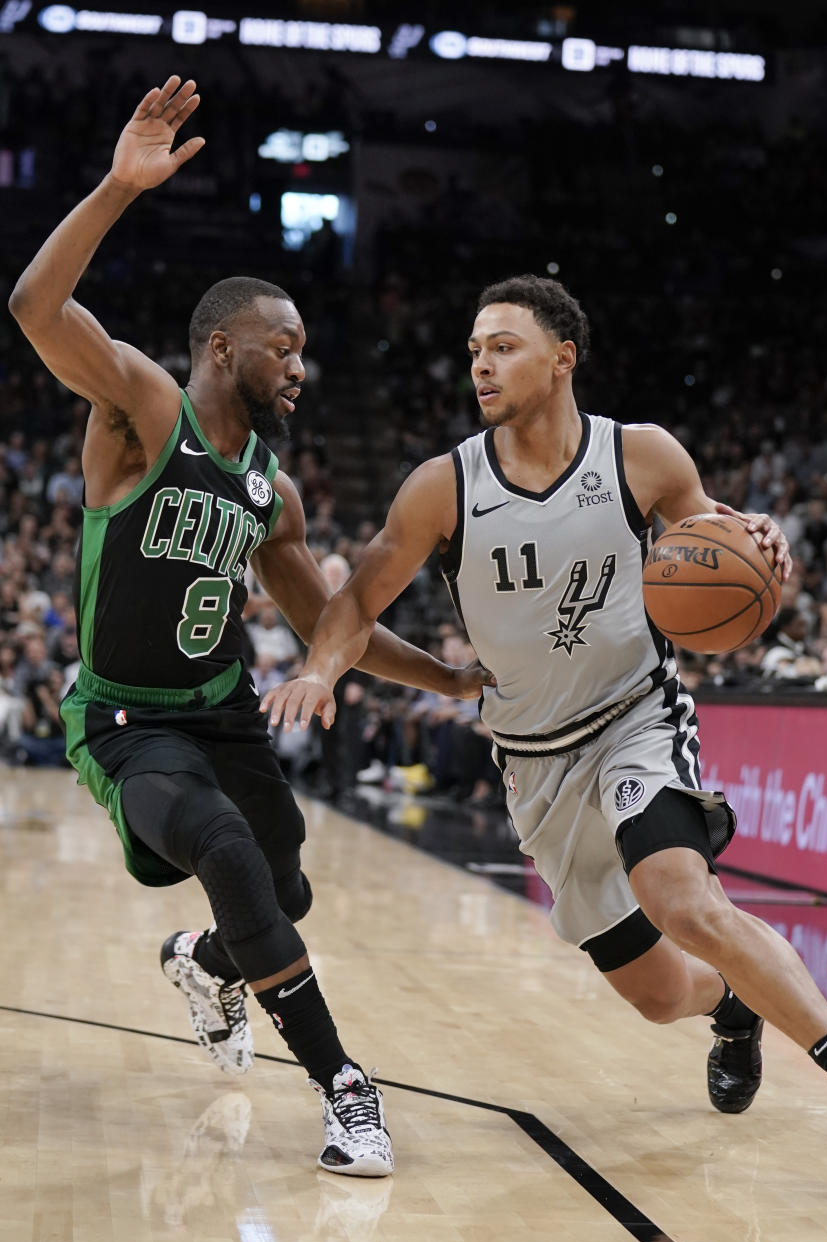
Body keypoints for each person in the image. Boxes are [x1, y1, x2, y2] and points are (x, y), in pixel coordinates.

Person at [263, 274, 827, 1197]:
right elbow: (355, 601)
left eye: (502, 345)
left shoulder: (641, 456)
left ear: (562, 356)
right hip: (534, 761)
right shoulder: (445, 485)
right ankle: (732, 1000)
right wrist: (319, 667)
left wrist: (768, 541)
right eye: (474, 350)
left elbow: (720, 540)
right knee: (665, 994)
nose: (481, 364)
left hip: (635, 717)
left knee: (684, 900)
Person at [8, 76, 488, 1178]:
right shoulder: (143, 412)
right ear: (224, 348)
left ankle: (205, 959)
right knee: (224, 845)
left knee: (286, 887)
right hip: (128, 723)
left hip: (222, 714)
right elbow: (37, 309)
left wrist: (453, 685)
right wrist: (117, 190)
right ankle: (345, 1089)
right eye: (285, 347)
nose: (302, 366)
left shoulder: (274, 492)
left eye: (307, 348)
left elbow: (337, 619)